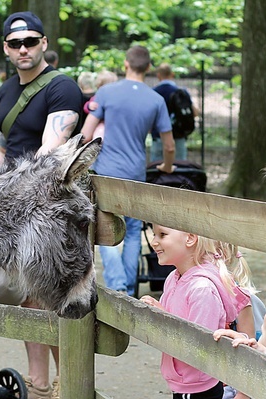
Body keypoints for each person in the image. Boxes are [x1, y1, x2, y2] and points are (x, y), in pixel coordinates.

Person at [0, 11, 83, 399]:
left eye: (30, 41)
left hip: (45, 204)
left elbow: (51, 145)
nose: (23, 49)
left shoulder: (61, 88)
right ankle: (39, 384)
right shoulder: (5, 90)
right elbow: (2, 143)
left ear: (44, 43)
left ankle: (70, 386)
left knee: (53, 295)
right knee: (25, 295)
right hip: (8, 203)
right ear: (6, 49)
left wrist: (15, 187)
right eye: (15, 43)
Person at [139, 226, 242, 399]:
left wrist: (156, 326)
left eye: (162, 235)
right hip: (185, 383)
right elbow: (181, 321)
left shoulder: (201, 289)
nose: (154, 242)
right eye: (154, 234)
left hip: (195, 387)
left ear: (190, 238)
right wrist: (160, 311)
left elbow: (197, 347)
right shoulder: (174, 278)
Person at [81, 46, 175, 297]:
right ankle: (129, 288)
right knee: (133, 230)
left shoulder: (106, 92)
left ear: (126, 64)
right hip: (136, 173)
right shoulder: (156, 100)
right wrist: (166, 166)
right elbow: (169, 145)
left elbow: (87, 134)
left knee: (104, 225)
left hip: (106, 172)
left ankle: (116, 283)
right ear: (148, 68)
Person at [206, 242, 260, 399]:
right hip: (205, 388)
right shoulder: (198, 288)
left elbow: (250, 351)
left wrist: (244, 394)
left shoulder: (240, 298)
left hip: (230, 392)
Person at [150, 63, 199, 162]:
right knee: (180, 168)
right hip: (178, 136)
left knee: (156, 169)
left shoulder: (153, 92)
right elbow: (195, 112)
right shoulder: (181, 92)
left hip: (158, 136)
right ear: (172, 74)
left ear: (158, 75)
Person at [83, 70, 118, 140]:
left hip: (112, 124)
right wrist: (89, 106)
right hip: (100, 124)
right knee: (99, 133)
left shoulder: (116, 98)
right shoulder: (96, 98)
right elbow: (85, 107)